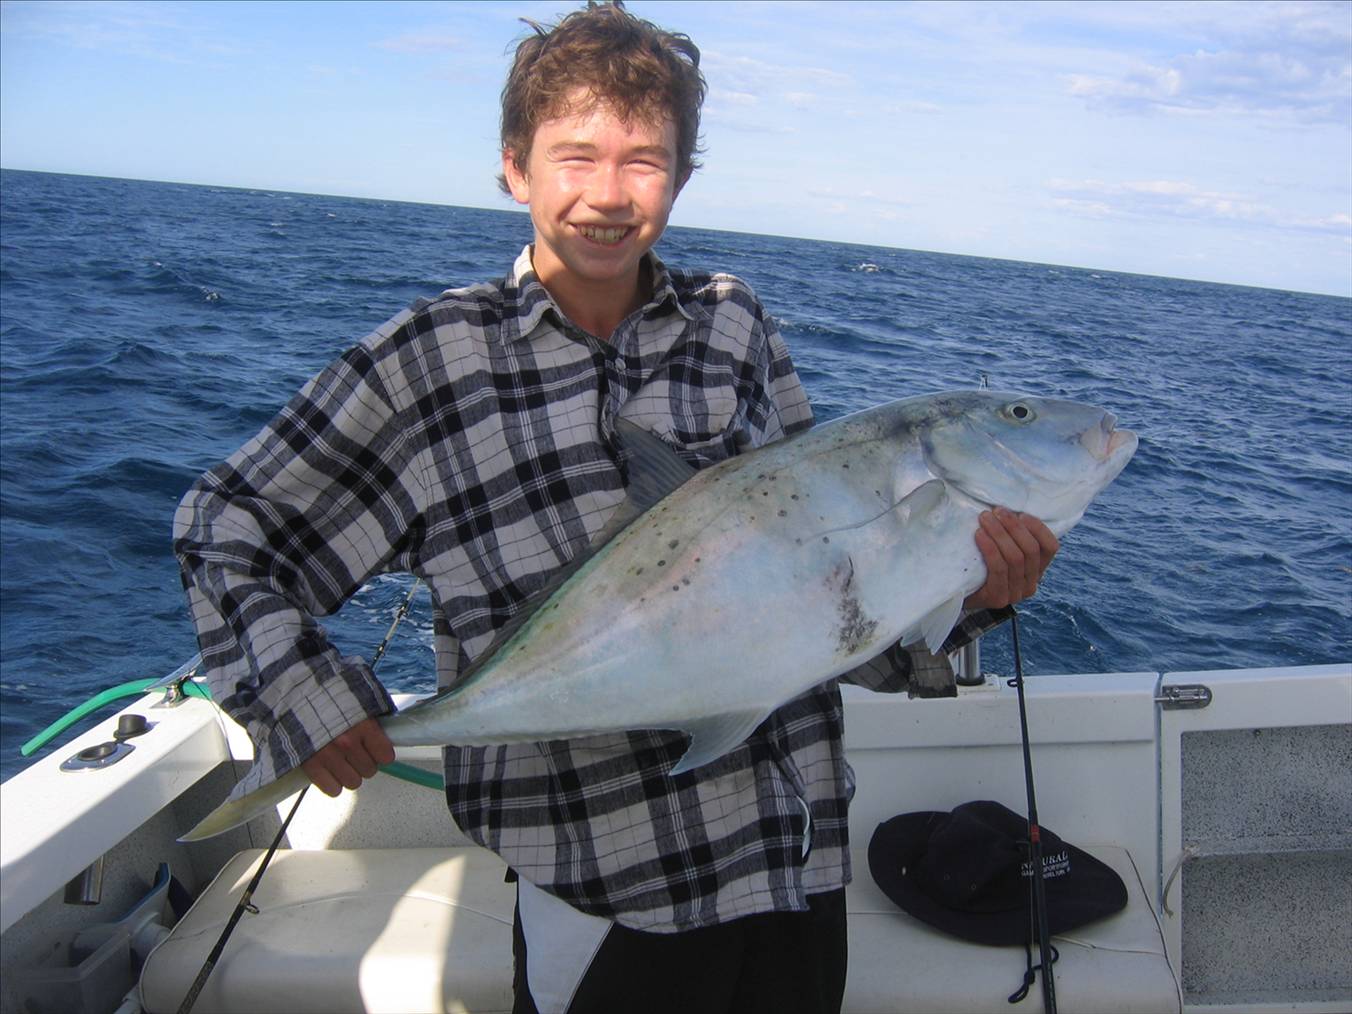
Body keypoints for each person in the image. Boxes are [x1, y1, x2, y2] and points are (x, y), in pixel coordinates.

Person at [173, 4, 1059, 1012]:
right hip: (606, 897)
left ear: (680, 177)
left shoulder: (733, 327)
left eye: (643, 161)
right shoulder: (431, 362)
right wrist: (307, 696)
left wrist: (969, 589)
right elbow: (224, 529)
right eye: (573, 156)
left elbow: (832, 608)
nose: (606, 193)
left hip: (793, 868)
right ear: (513, 167)